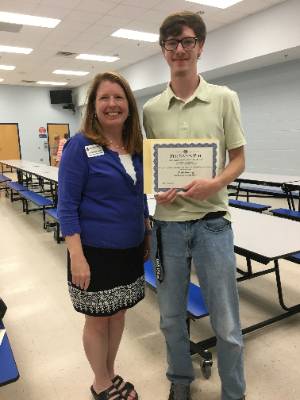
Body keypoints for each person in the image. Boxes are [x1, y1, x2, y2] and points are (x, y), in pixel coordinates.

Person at [143, 11, 246, 400]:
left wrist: (215, 182)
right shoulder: (151, 109)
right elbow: (154, 167)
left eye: (188, 41)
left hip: (213, 224)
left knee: (227, 322)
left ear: (200, 47)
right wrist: (157, 192)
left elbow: (238, 158)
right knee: (170, 318)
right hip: (168, 225)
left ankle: (234, 392)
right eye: (172, 43)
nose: (180, 49)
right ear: (163, 51)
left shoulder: (224, 98)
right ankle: (180, 382)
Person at [58, 72, 151, 400]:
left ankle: (109, 373)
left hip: (130, 249)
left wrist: (146, 232)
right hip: (94, 252)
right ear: (93, 107)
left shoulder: (136, 148)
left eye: (118, 97)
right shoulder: (79, 146)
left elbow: (138, 196)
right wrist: (77, 257)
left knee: (118, 314)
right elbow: (66, 206)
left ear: (128, 104)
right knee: (98, 320)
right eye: (104, 98)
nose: (112, 104)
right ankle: (100, 382)